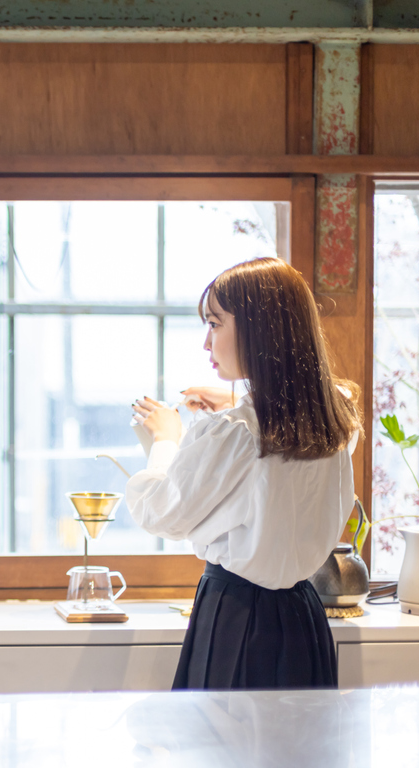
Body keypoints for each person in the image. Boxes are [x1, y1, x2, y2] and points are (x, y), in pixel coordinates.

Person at [126, 256, 360, 690]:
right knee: (299, 753)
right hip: (304, 618)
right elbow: (321, 398)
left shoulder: (236, 431)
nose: (206, 342)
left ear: (259, 329)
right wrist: (237, 399)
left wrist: (165, 438)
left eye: (215, 324)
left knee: (223, 753)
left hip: (237, 616)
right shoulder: (336, 420)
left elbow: (160, 514)